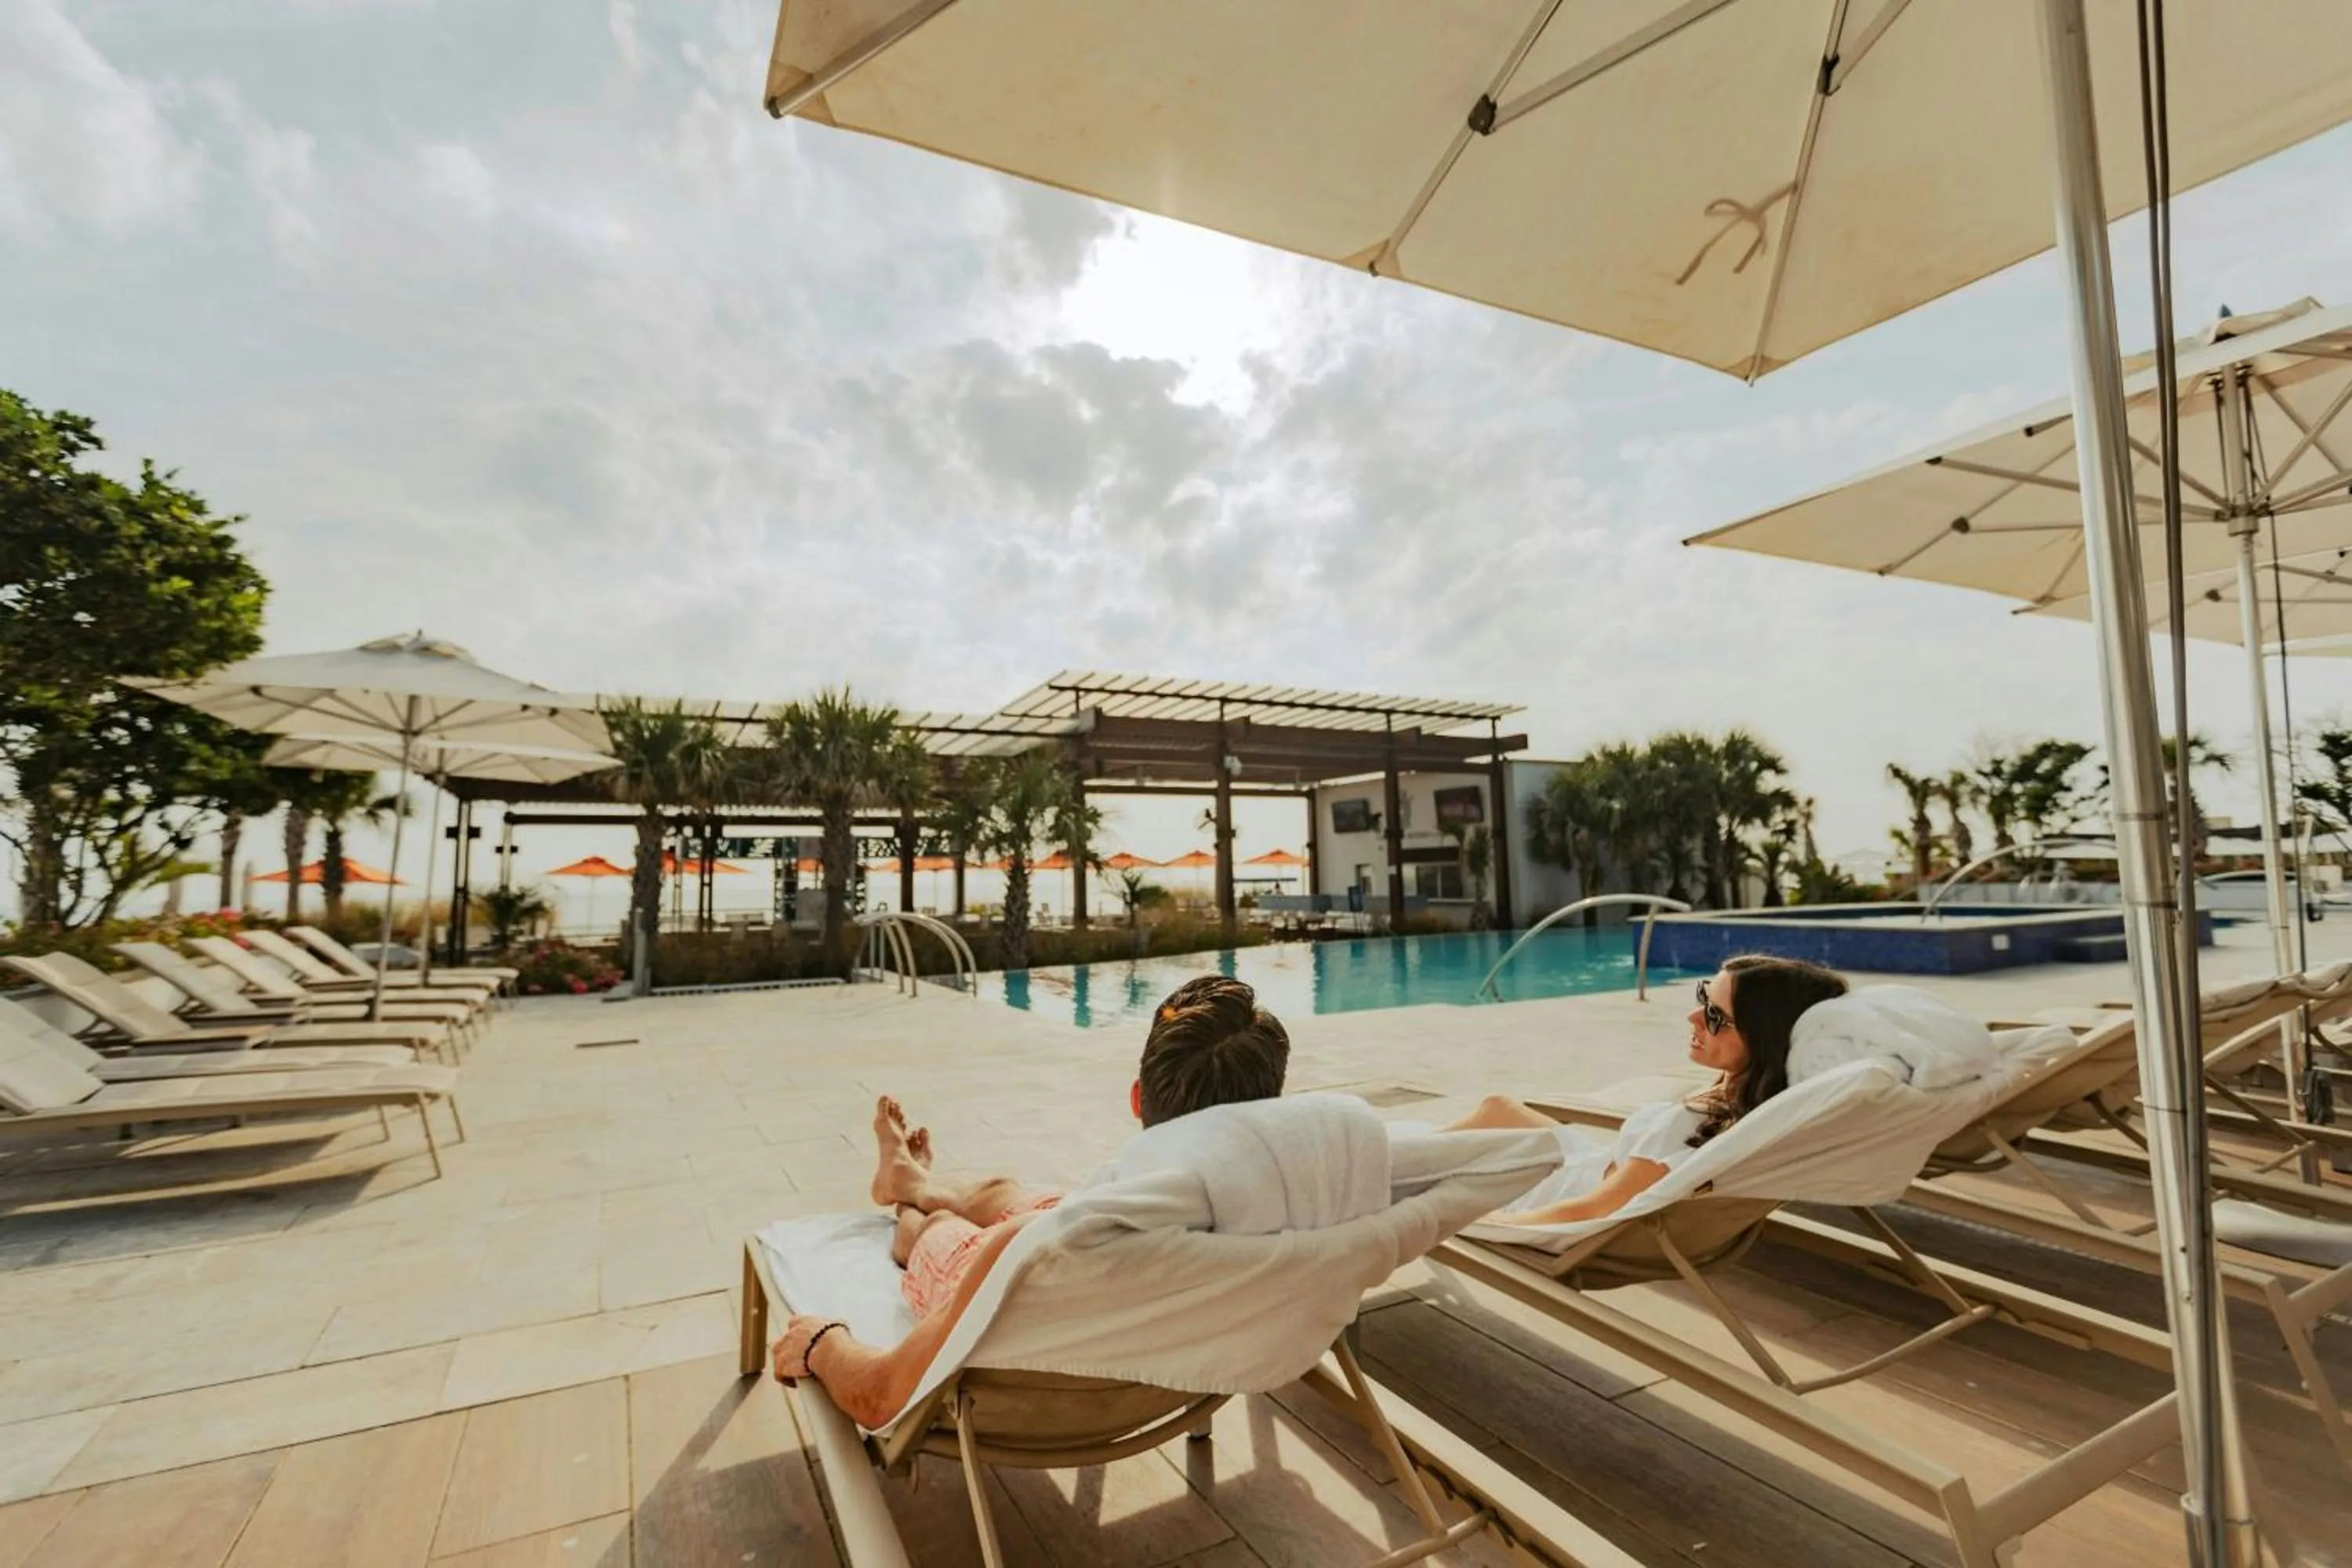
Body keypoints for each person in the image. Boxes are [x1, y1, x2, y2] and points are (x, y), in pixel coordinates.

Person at [769, 974, 1290, 1427]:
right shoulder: (1285, 1215)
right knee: (1007, 1193)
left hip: (1029, 1283)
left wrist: (822, 1343)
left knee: (942, 1224)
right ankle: (908, 1177)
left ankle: (910, 1202)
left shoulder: (1029, 1249)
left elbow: (879, 1394)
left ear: (1136, 1099)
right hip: (1123, 1255)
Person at [1452, 954, 1846, 1228]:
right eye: (1701, 997)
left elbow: (1594, 1208)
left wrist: (1486, 1221)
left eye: (1714, 1016)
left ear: (1762, 1039)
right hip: (1590, 1161)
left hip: (1563, 1186)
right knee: (1497, 1107)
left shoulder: (1690, 1123)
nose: (1693, 1016)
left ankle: (1394, 1166)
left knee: (1453, 1149)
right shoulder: (1763, 1109)